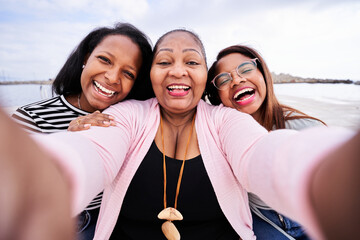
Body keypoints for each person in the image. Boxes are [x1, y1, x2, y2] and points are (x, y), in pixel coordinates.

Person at [0, 29, 358, 240]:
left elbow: (264, 155)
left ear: (204, 77)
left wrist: (327, 177)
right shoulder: (126, 115)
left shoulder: (225, 121)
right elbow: (91, 152)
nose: (177, 71)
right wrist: (37, 178)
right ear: (151, 75)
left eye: (191, 61)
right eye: (164, 61)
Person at [11, 22, 154, 239]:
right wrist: (72, 140)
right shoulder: (32, 117)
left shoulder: (132, 120)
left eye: (128, 73)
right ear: (86, 58)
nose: (113, 77)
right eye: (105, 60)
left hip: (115, 222)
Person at [204, 44, 326, 239]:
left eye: (245, 69)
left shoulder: (306, 128)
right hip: (260, 219)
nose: (237, 79)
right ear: (217, 95)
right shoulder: (217, 137)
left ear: (263, 74)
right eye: (223, 79)